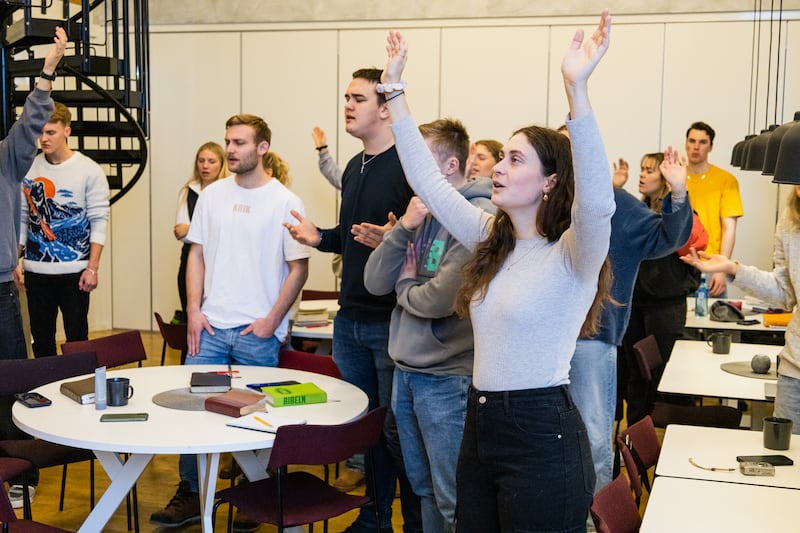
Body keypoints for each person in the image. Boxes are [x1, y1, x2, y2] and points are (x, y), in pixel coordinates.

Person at [379, 12, 613, 531]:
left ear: (549, 181)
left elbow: (596, 203)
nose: (498, 168)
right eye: (500, 157)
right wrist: (393, 89)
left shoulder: (573, 254)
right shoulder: (491, 239)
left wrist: (576, 89)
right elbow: (430, 183)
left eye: (514, 159)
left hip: (542, 432)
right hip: (480, 424)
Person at [151, 114, 310, 530]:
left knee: (257, 420)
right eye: (228, 142)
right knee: (191, 414)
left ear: (262, 148)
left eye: (240, 142)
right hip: (210, 329)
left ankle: (252, 495)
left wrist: (271, 321)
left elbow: (298, 269)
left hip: (256, 335)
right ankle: (189, 492)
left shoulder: (286, 201)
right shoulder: (212, 196)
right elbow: (196, 256)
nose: (231, 150)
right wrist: (193, 313)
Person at [284, 68, 421, 533]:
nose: (347, 105)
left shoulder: (407, 165)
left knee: (393, 432)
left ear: (385, 108)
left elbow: (431, 239)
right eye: (345, 97)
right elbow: (352, 236)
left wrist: (396, 238)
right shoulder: (354, 166)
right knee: (366, 429)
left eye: (358, 98)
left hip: (391, 323)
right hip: (351, 318)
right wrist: (319, 236)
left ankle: (407, 521)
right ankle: (375, 517)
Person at [364, 118, 494, 533]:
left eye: (419, 159)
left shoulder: (476, 217)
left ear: (450, 165)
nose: (409, 168)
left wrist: (405, 282)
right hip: (407, 371)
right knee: (422, 489)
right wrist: (403, 229)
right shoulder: (420, 212)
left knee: (451, 494)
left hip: (445, 377)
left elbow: (440, 299)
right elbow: (373, 281)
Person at [568, 146, 692, 506]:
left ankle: (595, 520)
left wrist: (678, 192)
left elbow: (669, 237)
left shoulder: (615, 204)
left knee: (593, 435)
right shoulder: (542, 201)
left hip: (593, 338)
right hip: (538, 340)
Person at [0, 25, 66, 509]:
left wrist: (45, 73)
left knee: (12, 385)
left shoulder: (6, 157)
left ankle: (19, 475)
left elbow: (29, 124)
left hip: (1, 290)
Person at [681, 186, 800, 433]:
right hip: (794, 369)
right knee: (785, 458)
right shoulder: (790, 219)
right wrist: (732, 269)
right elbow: (785, 292)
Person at [620, 152, 707, 425]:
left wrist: (678, 191)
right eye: (642, 169)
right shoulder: (636, 210)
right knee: (636, 372)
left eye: (649, 170)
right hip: (635, 303)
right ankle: (634, 434)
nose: (642, 175)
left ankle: (666, 433)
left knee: (664, 373)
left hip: (666, 304)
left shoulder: (677, 214)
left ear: (665, 178)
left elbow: (697, 243)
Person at [18, 102, 110, 358]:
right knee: (42, 341)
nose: (43, 139)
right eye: (41, 132)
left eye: (51, 132)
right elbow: (24, 216)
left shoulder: (89, 170)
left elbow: (99, 219)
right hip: (36, 272)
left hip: (76, 272)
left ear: (67, 131)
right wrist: (17, 260)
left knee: (77, 340)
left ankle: (78, 390)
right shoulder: (30, 167)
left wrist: (92, 267)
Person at [685, 121, 743, 296]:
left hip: (710, 266)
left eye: (702, 142)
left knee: (712, 321)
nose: (696, 147)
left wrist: (721, 269)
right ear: (686, 143)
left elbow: (729, 228)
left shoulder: (726, 180)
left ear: (711, 146)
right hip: (678, 265)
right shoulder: (675, 178)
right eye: (692, 141)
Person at [173, 142, 228, 318]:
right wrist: (209, 228)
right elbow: (180, 233)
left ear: (221, 164)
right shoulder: (187, 191)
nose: (205, 166)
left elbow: (227, 231)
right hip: (190, 259)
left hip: (220, 260)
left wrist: (194, 230)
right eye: (201, 160)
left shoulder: (229, 192)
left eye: (211, 161)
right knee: (193, 315)